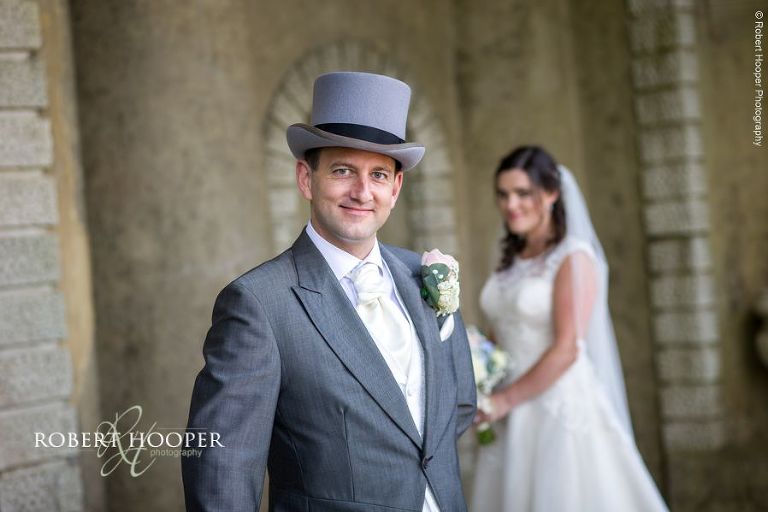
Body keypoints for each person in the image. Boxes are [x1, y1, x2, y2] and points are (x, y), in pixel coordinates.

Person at [182, 71, 476, 512]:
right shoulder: (259, 304)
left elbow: (458, 406)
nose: (362, 192)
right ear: (306, 178)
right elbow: (222, 469)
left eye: (379, 174)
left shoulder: (426, 276)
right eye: (343, 170)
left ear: (396, 188)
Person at [470, 146, 668, 511]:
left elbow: (567, 349)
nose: (511, 204)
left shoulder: (573, 257)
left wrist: (504, 401)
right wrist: (476, 365)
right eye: (503, 194)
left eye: (523, 193)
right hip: (506, 407)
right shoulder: (511, 259)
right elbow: (500, 332)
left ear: (551, 194)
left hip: (554, 407)